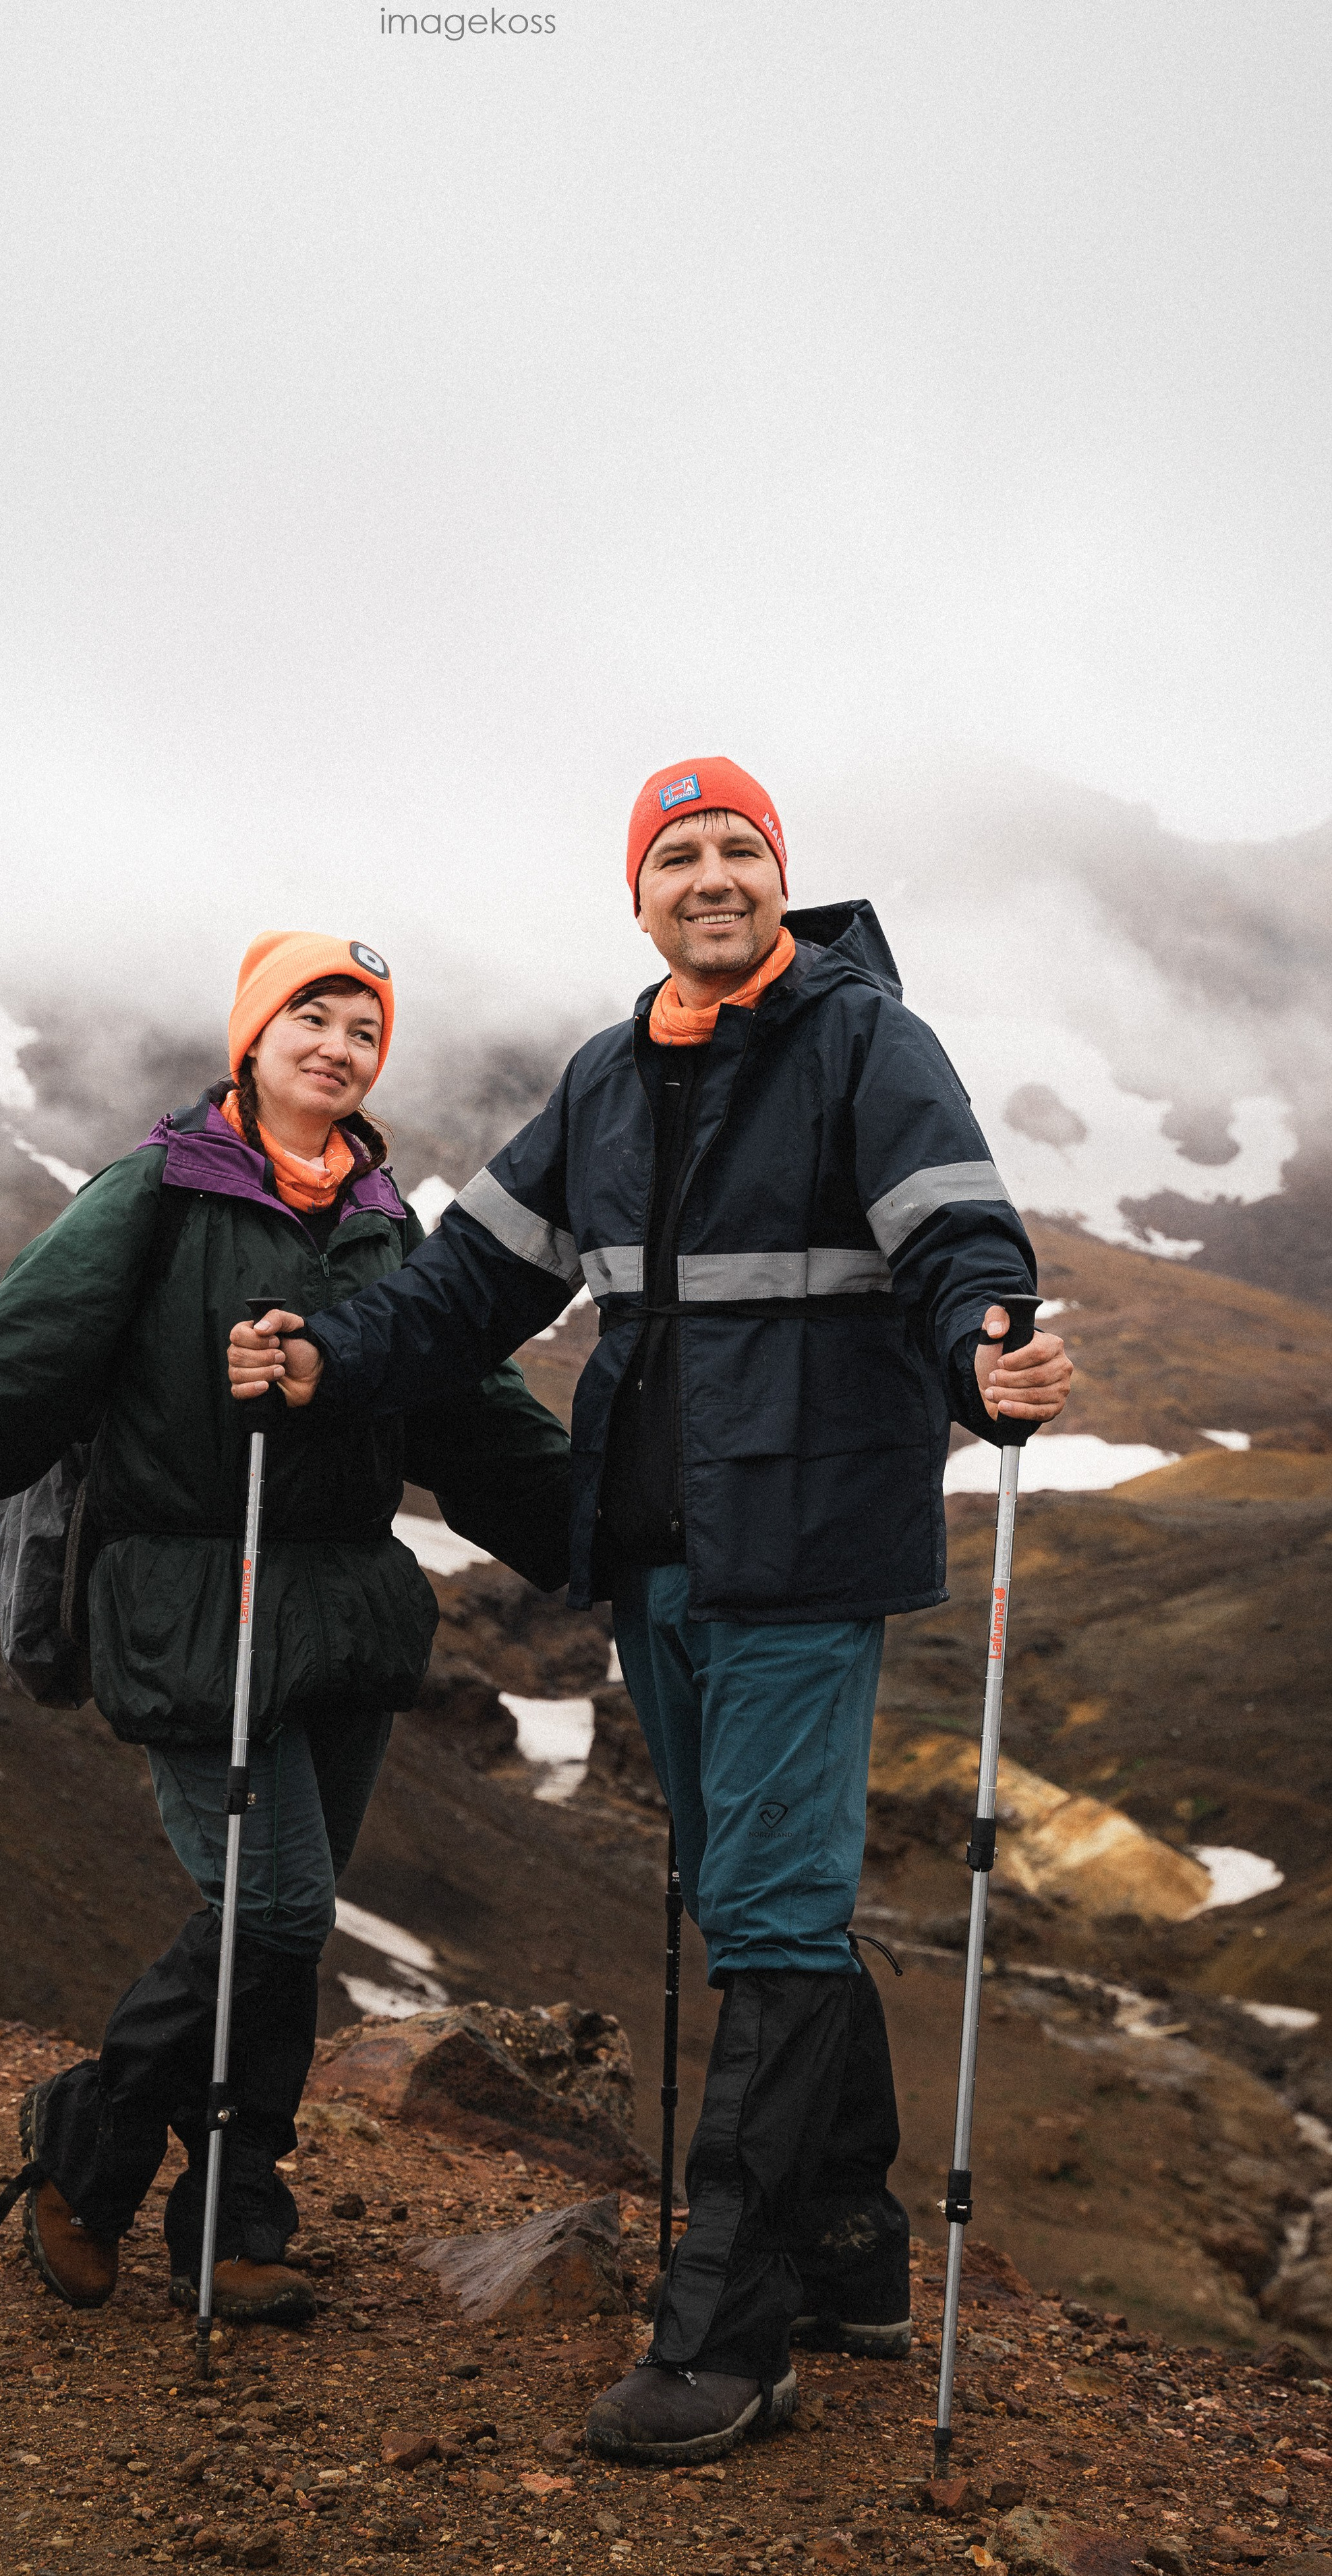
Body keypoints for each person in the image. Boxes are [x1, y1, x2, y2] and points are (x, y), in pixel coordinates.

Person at [227, 759, 1074, 2462]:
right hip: (659, 1552)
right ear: (637, 898)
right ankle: (848, 2255)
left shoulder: (865, 1045)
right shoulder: (606, 1080)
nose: (709, 877)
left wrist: (994, 1351)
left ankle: (728, 2332)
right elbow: (470, 1285)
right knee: (752, 1894)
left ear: (780, 876)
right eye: (675, 856)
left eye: (736, 850)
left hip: (807, 1545)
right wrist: (328, 1355)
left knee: (763, 1909)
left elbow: (951, 1243)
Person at [0, 929, 570, 2324]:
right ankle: (90, 2144)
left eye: (360, 1029)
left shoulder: (385, 1223)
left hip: (340, 1611)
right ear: (250, 1038)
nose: (335, 1045)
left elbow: (470, 1414)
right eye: (310, 1018)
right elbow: (15, 1361)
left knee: (278, 1928)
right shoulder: (158, 1192)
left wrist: (602, 1528)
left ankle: (236, 2221)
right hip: (193, 1604)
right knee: (275, 1904)